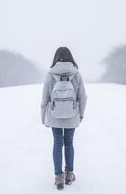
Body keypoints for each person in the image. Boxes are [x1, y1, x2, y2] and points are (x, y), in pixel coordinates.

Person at [41, 46, 87, 190]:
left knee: (57, 143)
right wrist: (80, 114)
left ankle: (58, 177)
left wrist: (44, 118)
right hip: (72, 115)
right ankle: (69, 174)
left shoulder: (50, 74)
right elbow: (82, 97)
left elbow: (45, 98)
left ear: (56, 57)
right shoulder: (76, 74)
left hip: (54, 115)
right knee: (69, 143)